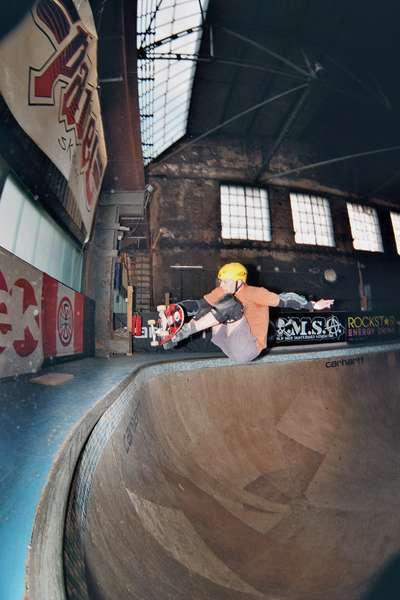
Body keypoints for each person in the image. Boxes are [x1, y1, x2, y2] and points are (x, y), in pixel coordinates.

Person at [166, 262, 334, 362]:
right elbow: (200, 304)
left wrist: (312, 305)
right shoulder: (222, 290)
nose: (222, 285)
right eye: (221, 281)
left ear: (239, 281)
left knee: (230, 304)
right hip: (226, 344)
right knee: (212, 303)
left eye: (226, 282)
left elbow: (285, 299)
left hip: (248, 348)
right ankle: (177, 333)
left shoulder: (255, 293)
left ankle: (185, 332)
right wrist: (176, 310)